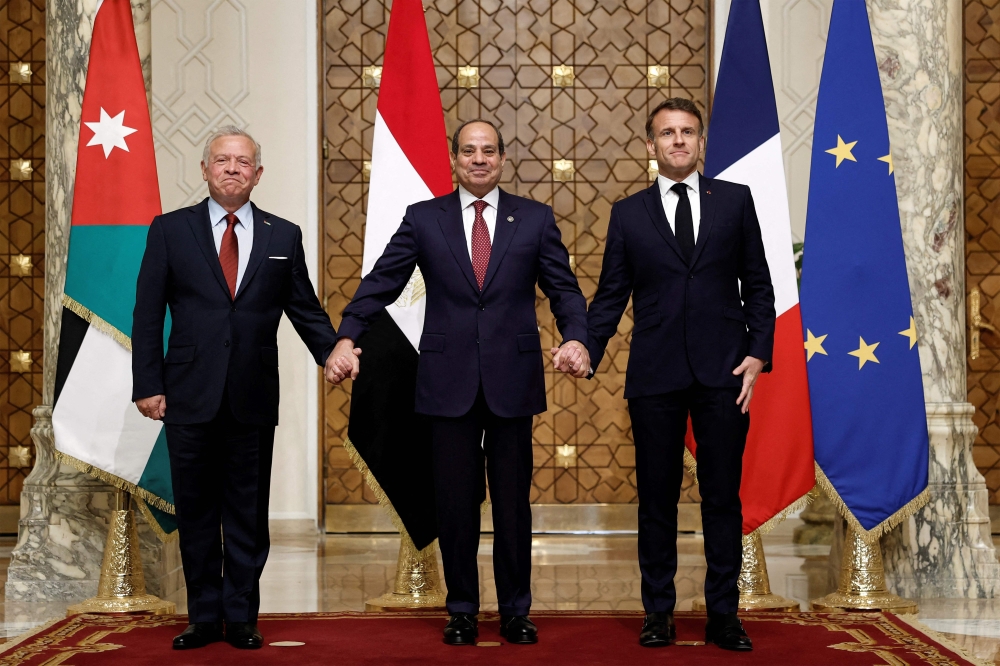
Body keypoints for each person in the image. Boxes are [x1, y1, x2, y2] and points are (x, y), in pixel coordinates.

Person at [328, 119, 589, 646]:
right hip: (446, 382)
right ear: (454, 158)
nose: (478, 159)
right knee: (455, 501)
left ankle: (516, 610)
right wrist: (346, 337)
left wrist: (578, 337)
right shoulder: (425, 219)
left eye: (488, 150)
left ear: (502, 157)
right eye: (468, 151)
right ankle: (463, 609)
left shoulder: (534, 219)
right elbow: (381, 281)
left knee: (514, 503)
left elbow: (564, 289)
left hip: (512, 381)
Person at [132, 126, 341, 650]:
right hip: (185, 394)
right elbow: (145, 312)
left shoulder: (282, 235)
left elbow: (306, 310)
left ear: (258, 174)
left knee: (247, 512)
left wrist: (333, 351)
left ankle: (242, 615)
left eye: (242, 162)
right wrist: (147, 383)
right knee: (198, 510)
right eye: (221, 160)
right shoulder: (170, 230)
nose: (232, 168)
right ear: (204, 170)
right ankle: (203, 616)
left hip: (251, 396)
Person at [586, 98, 775, 651]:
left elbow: (759, 285)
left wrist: (758, 353)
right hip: (655, 375)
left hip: (725, 373)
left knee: (722, 499)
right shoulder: (628, 213)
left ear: (700, 142)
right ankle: (659, 614)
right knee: (656, 500)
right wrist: (585, 347)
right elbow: (610, 298)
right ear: (650, 146)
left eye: (687, 132)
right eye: (666, 134)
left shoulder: (735, 202)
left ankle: (724, 617)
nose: (677, 141)